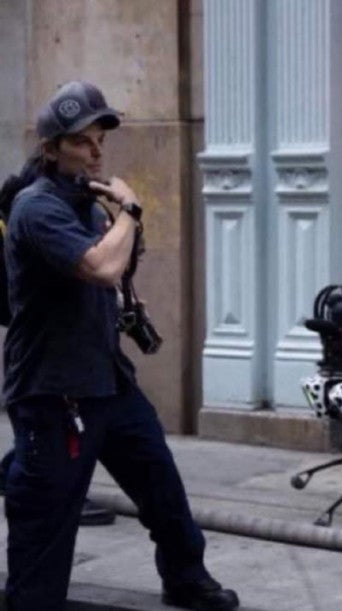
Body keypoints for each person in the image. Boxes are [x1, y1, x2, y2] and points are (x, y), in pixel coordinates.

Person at [0, 81, 239, 610]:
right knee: (45, 523)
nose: (97, 151)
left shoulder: (88, 202)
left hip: (108, 381)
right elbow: (101, 267)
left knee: (163, 492)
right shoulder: (36, 208)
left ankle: (185, 576)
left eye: (100, 140)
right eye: (83, 141)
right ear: (51, 147)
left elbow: (112, 276)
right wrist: (130, 211)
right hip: (53, 393)